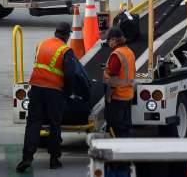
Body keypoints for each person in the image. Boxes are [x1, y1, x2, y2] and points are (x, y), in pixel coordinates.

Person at [17, 21, 89, 172]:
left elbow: (38, 64)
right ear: (67, 35)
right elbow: (69, 75)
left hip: (36, 88)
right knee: (55, 125)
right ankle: (54, 159)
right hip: (54, 91)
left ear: (55, 32)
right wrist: (68, 92)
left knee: (33, 123)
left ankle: (27, 157)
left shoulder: (41, 44)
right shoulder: (65, 50)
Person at [103, 28, 135, 138]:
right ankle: (126, 148)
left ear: (115, 40)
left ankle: (118, 148)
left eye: (109, 40)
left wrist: (108, 96)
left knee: (116, 127)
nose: (108, 42)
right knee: (125, 126)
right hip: (128, 95)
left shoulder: (116, 55)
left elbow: (113, 78)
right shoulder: (129, 52)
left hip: (118, 96)